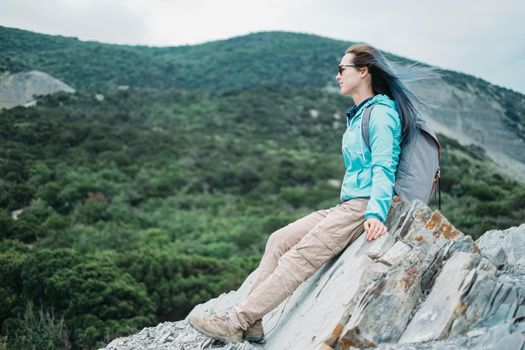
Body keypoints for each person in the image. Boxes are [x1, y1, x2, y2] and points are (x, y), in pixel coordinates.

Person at [189, 43, 437, 344]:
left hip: (364, 205)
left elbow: (384, 167)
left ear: (363, 71)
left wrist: (375, 212)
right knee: (278, 240)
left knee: (301, 255)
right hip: (347, 204)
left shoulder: (382, 114)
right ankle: (252, 321)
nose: (337, 76)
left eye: (342, 69)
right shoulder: (360, 115)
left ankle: (236, 320)